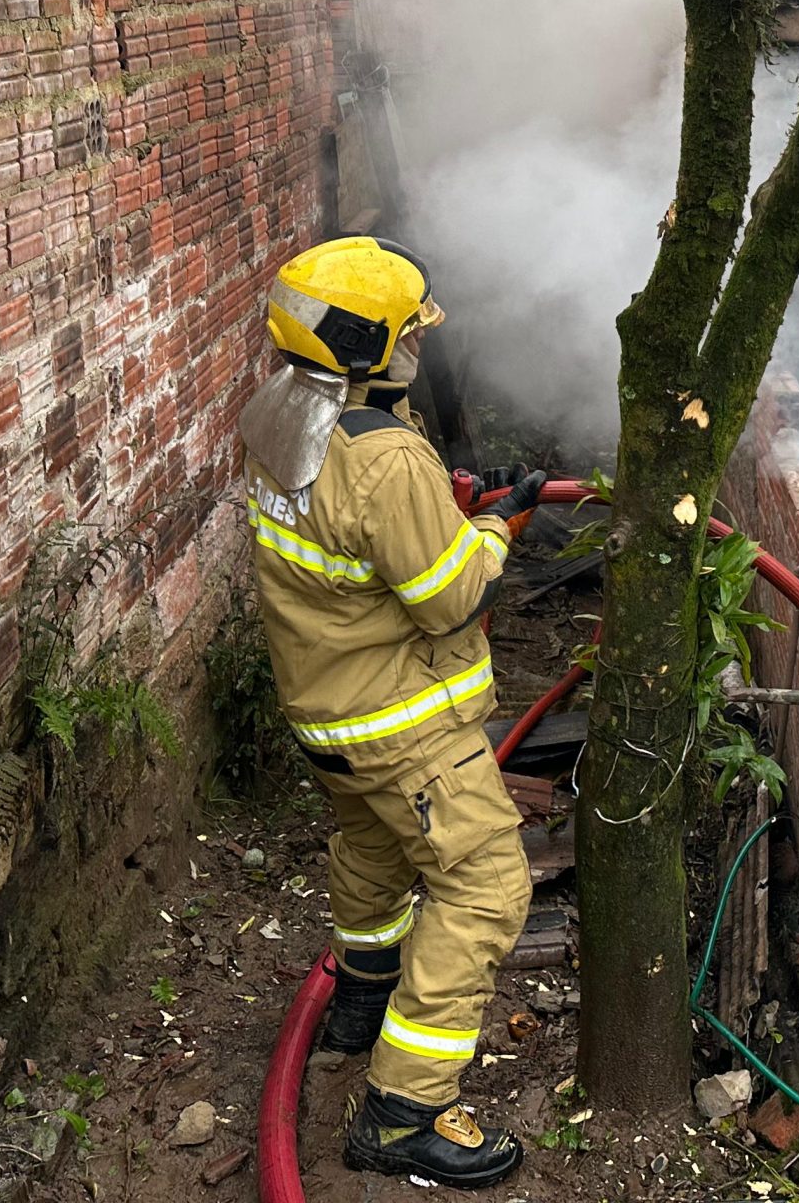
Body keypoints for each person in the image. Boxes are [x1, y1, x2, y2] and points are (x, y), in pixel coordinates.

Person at [235, 236, 545, 1185]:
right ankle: (405, 1110)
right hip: (402, 727)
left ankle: (362, 999)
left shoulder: (280, 414)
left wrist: (438, 510)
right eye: (410, 327)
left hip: (327, 716)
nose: (421, 339)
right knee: (488, 888)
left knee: (372, 858)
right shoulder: (387, 463)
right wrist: (494, 528)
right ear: (368, 345)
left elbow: (355, 545)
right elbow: (449, 598)